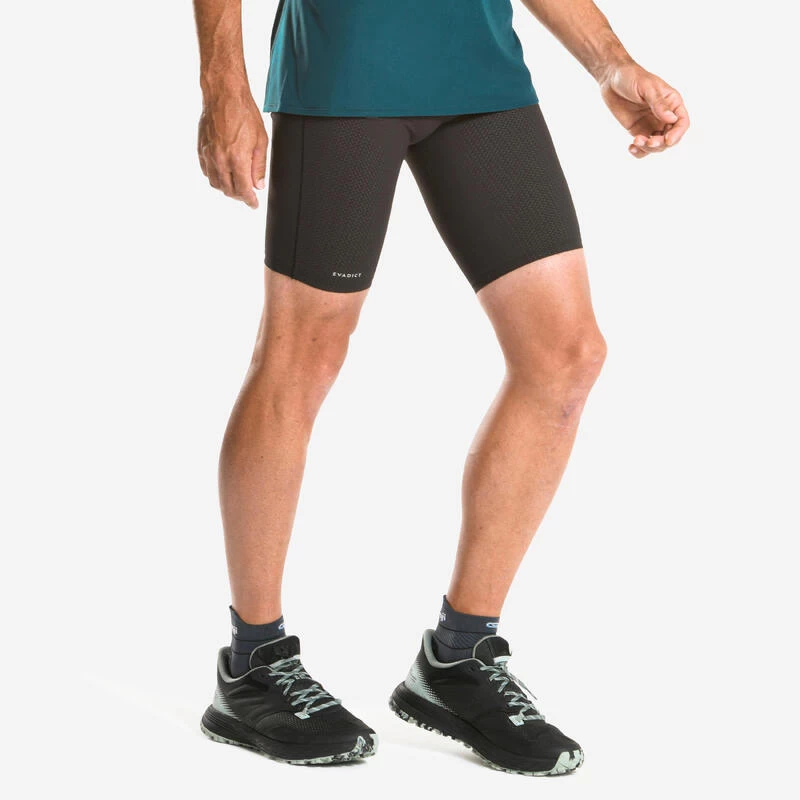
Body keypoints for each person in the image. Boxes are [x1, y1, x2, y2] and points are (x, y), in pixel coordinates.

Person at [192, 0, 689, 775]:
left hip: (479, 72)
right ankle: (253, 665)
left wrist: (610, 62)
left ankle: (458, 659)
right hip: (345, 68)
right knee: (302, 356)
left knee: (565, 355)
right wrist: (223, 84)